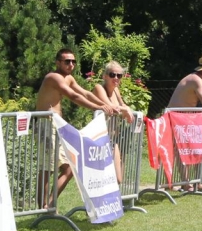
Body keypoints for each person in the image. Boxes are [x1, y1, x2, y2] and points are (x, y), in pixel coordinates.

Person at [34, 48, 117, 208]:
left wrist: (105, 105)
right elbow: (74, 96)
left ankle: (48, 206)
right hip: (46, 124)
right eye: (67, 61)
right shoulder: (53, 77)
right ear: (58, 63)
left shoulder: (69, 78)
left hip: (56, 124)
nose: (71, 64)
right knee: (48, 168)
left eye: (73, 61)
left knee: (69, 168)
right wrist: (98, 107)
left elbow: (86, 93)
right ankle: (43, 208)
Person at [92, 61, 137, 184]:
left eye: (119, 75)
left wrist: (127, 110)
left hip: (113, 138)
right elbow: (111, 107)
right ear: (105, 76)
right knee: (102, 179)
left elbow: (122, 105)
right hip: (99, 140)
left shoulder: (116, 90)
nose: (116, 78)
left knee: (118, 179)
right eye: (112, 75)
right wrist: (125, 110)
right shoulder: (99, 88)